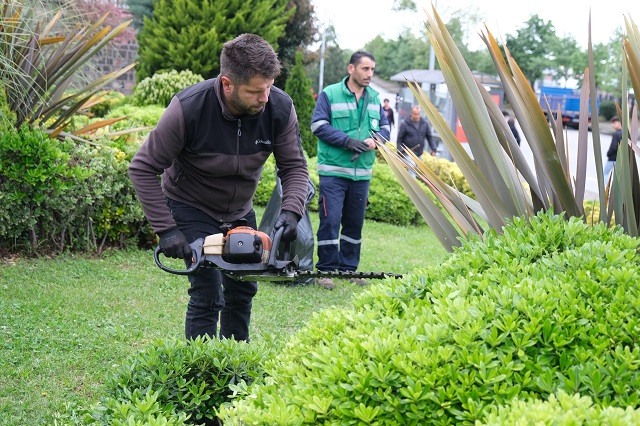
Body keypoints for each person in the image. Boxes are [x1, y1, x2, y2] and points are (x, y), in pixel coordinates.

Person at [128, 34, 309, 342]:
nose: (265, 97)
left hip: (240, 210)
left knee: (242, 290)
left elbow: (294, 167)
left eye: (269, 86)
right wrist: (167, 230)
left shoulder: (279, 107)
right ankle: (202, 375)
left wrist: (292, 212)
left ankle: (236, 370)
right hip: (191, 205)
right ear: (228, 84)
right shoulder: (188, 109)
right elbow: (142, 167)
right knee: (208, 292)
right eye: (255, 91)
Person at [310, 51, 390, 290]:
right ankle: (326, 270)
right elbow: (318, 125)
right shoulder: (330, 94)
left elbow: (385, 128)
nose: (370, 74)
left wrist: (377, 140)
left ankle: (348, 270)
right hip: (333, 173)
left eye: (372, 69)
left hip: (362, 174)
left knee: (354, 224)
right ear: (351, 69)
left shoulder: (375, 98)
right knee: (331, 221)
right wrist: (347, 141)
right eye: (365, 69)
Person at [396, 105, 437, 174]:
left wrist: (433, 149)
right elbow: (399, 139)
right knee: (412, 171)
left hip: (419, 153)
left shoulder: (424, 124)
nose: (417, 116)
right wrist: (399, 151)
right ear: (411, 114)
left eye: (418, 114)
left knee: (416, 173)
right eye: (415, 114)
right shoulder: (405, 124)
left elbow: (429, 137)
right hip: (408, 153)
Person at [604, 115, 623, 180]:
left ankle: (606, 189)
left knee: (605, 174)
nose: (612, 125)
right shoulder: (625, 133)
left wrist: (608, 154)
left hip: (612, 158)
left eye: (614, 123)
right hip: (621, 159)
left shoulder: (616, 134)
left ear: (619, 122)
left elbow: (614, 147)